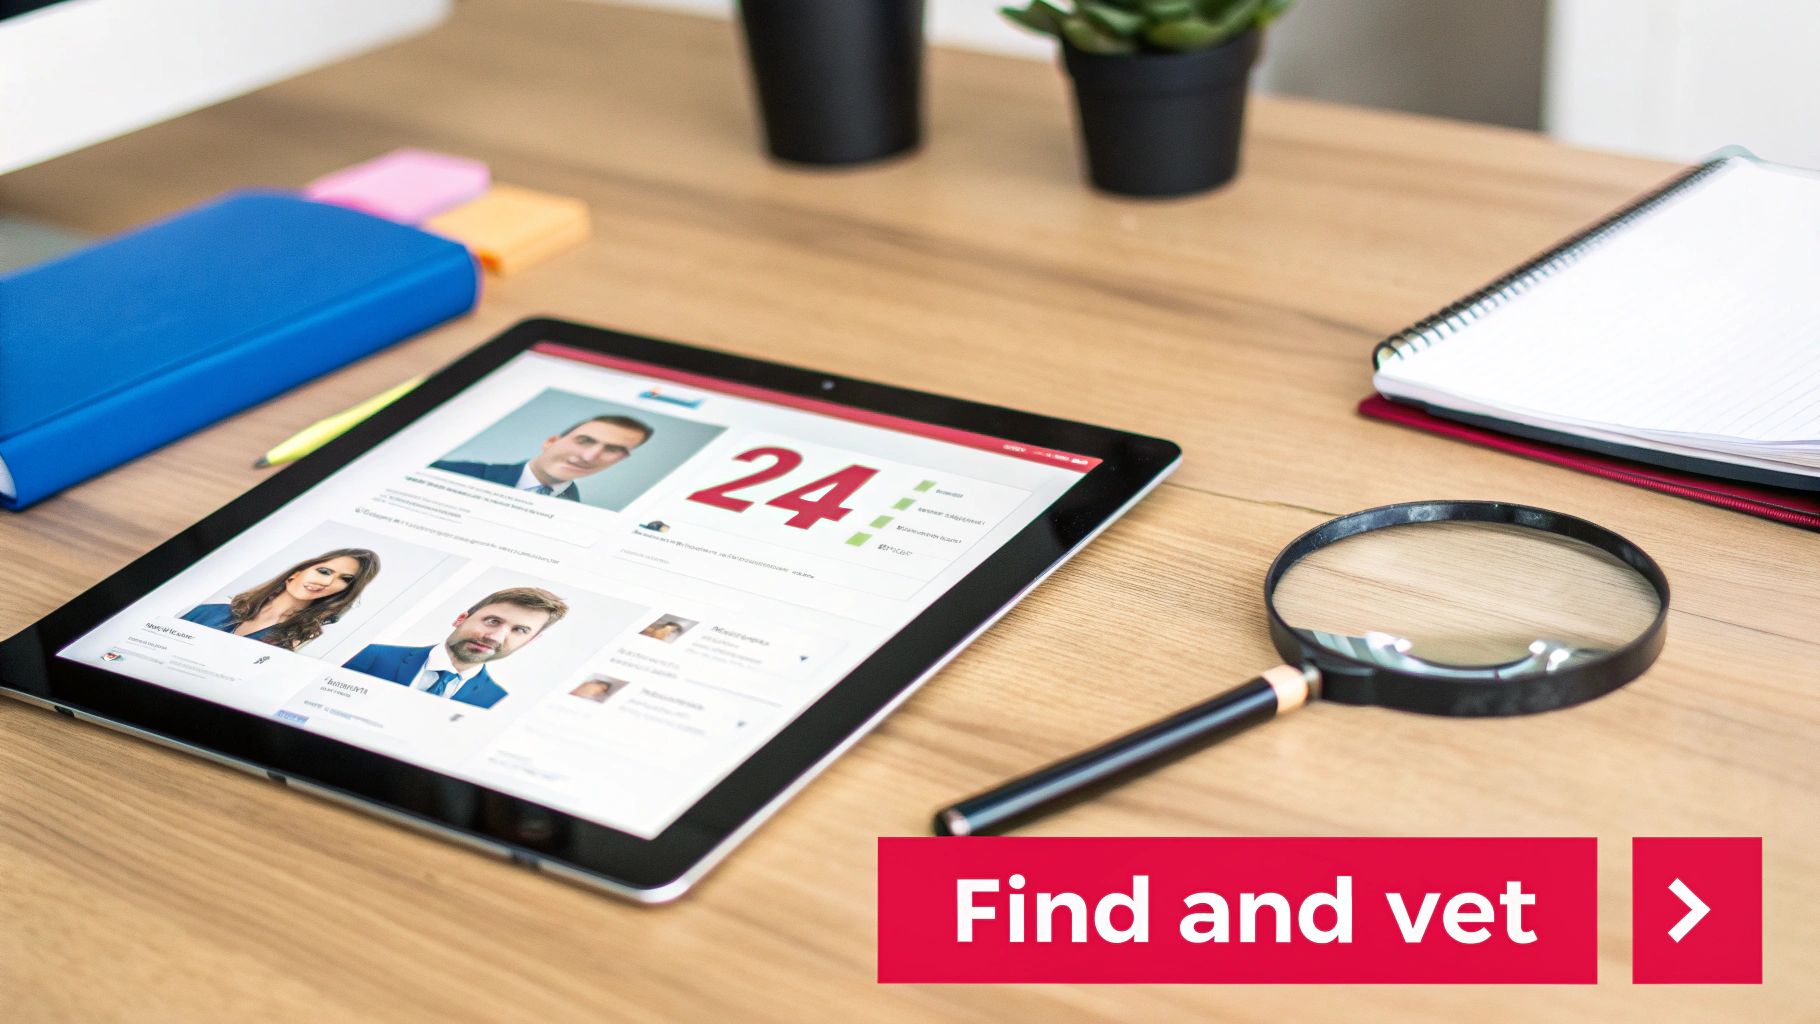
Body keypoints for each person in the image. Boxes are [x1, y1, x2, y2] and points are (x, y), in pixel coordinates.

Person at [341, 587, 569, 709]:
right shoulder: (369, 655)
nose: (495, 637)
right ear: (461, 619)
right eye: (492, 621)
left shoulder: (497, 702)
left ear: (529, 642)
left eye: (519, 630)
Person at [181, 548, 380, 651]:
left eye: (345, 579)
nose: (327, 582)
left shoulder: (298, 640)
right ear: (297, 572)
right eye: (324, 571)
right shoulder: (208, 611)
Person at [431, 414, 653, 502]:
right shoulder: (444, 472)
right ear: (550, 441)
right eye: (584, 441)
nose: (589, 456)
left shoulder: (579, 515)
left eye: (612, 450)